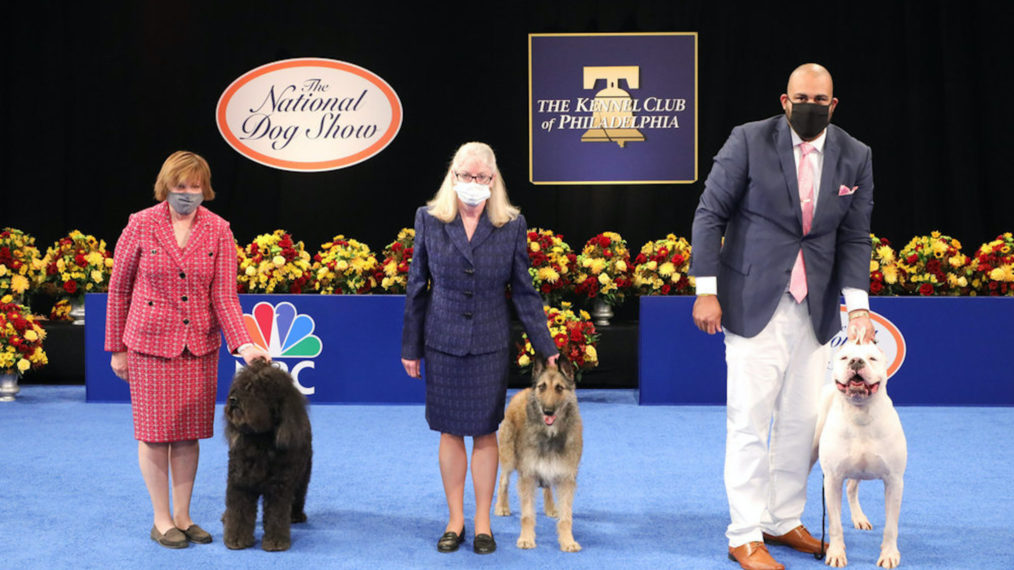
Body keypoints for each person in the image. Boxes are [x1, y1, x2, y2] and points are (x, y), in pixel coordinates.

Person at [689, 64, 875, 570]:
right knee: (748, 422)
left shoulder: (855, 155)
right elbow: (710, 214)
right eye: (801, 96)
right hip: (751, 302)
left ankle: (782, 517)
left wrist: (856, 305)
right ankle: (745, 532)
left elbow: (856, 236)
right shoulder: (748, 140)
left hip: (816, 311)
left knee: (800, 423)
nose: (810, 104)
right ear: (785, 99)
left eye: (821, 98)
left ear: (833, 105)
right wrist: (706, 290)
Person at [105, 150, 270, 549]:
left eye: (195, 186)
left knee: (187, 436)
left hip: (199, 348)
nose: (187, 193)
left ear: (205, 189)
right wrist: (117, 348)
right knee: (154, 435)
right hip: (147, 345)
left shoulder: (219, 230)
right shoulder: (140, 224)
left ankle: (183, 515)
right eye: (180, 186)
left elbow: (225, 298)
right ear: (166, 186)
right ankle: (161, 519)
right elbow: (119, 289)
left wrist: (244, 344)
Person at [401, 142, 559, 555]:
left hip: (489, 344)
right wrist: (411, 347)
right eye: (466, 176)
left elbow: (524, 291)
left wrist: (546, 346)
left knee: (486, 433)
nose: (473, 184)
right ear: (453, 177)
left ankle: (484, 523)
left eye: (482, 177)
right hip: (443, 343)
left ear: (493, 180)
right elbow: (417, 286)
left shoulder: (511, 225)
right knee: (450, 432)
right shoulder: (429, 220)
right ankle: (455, 520)